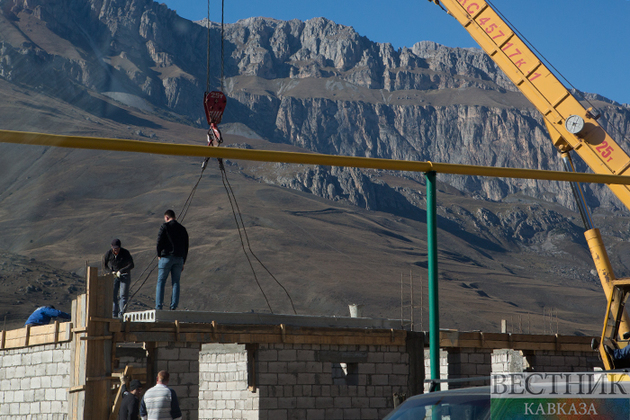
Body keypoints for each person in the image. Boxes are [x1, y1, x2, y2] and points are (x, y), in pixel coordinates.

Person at [155, 210, 189, 311]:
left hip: (166, 258)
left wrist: (159, 255)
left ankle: (159, 307)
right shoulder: (183, 229)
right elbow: (186, 246)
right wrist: (183, 261)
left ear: (166, 217)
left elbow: (159, 241)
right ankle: (173, 306)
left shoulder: (165, 227)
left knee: (161, 282)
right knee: (176, 282)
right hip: (179, 259)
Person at [103, 238, 135, 318]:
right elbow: (104, 265)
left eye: (117, 248)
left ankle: (121, 315)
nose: (116, 250)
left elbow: (131, 265)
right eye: (114, 248)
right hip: (114, 277)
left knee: (123, 296)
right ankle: (114, 315)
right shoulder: (108, 254)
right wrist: (111, 272)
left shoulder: (125, 253)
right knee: (113, 295)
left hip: (124, 276)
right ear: (111, 247)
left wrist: (121, 271)